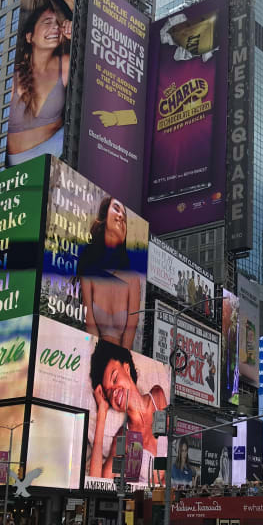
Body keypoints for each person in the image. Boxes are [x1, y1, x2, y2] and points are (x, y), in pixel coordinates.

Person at [88, 340, 168, 482]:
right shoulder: (123, 438)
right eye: (108, 392)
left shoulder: (157, 397)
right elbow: (97, 482)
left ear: (127, 369)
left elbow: (166, 453)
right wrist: (102, 413)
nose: (114, 391)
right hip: (141, 501)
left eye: (114, 379)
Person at [8, 0, 72, 165]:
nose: (56, 28)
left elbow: (98, 73)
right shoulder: (12, 76)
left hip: (58, 152)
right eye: (47, 22)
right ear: (30, 37)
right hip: (19, 164)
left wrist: (76, 38)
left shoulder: (64, 64)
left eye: (58, 24)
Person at [77, 197, 141, 350]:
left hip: (122, 363)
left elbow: (130, 333)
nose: (121, 217)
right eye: (116, 209)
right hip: (94, 357)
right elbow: (90, 327)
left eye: (125, 218)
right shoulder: (89, 273)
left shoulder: (132, 279)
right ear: (104, 216)